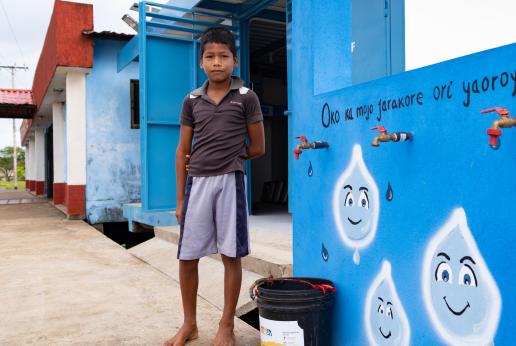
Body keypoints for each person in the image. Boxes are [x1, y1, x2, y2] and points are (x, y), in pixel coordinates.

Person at [165, 26, 265, 346]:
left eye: (224, 56)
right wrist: (180, 200)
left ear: (235, 61)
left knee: (230, 255)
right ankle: (189, 324)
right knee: (187, 257)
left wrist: (233, 156)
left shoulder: (247, 97)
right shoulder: (191, 100)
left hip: (230, 182)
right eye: (210, 56)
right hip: (197, 185)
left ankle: (226, 326)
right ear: (201, 62)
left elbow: (258, 146)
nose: (217, 62)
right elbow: (182, 151)